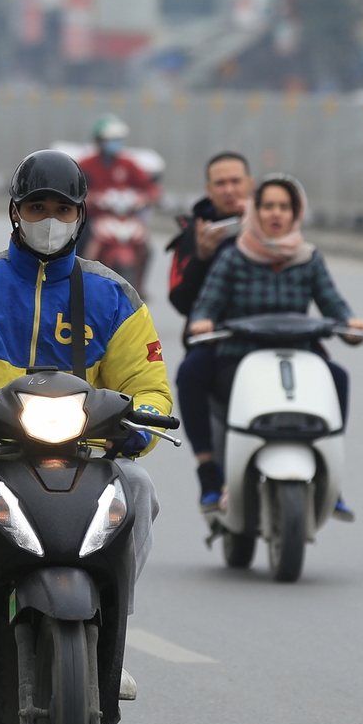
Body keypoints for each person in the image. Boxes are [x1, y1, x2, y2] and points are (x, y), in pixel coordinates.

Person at [0, 150, 172, 702]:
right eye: (36, 207)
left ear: (82, 216)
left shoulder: (115, 296)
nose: (49, 219)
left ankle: (111, 645)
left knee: (140, 487)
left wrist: (141, 427)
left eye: (62, 208)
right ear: (14, 212)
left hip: (86, 449)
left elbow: (149, 385)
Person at [187, 174, 363, 520]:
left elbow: (335, 306)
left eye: (284, 207)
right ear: (255, 210)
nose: (276, 213)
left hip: (299, 358)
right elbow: (206, 305)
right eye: (268, 205)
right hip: (239, 360)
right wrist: (204, 320)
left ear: (295, 212)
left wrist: (351, 325)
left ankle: (330, 476)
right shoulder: (233, 257)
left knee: (338, 378)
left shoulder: (308, 258)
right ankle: (210, 473)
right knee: (191, 374)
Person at [165, 152, 253, 506]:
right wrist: (201, 256)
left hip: (275, 338)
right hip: (218, 343)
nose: (230, 190)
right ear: (209, 189)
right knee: (190, 373)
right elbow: (180, 300)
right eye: (221, 183)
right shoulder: (195, 233)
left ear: (251, 184)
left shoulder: (274, 223)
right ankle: (208, 470)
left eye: (237, 181)